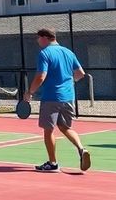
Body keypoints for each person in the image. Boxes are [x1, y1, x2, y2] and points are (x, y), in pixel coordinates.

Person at [25, 28, 91, 172]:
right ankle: (81, 149)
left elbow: (41, 76)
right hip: (68, 97)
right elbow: (80, 74)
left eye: (38, 38)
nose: (37, 41)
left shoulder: (44, 53)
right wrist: (68, 82)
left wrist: (30, 92)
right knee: (66, 128)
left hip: (51, 98)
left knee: (48, 131)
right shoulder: (68, 52)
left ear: (45, 38)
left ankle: (52, 163)